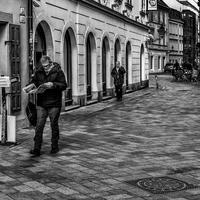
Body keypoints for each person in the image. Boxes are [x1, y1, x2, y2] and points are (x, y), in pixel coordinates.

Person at [29, 55, 67, 156]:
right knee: (39, 126)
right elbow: (34, 82)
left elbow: (64, 85)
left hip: (54, 103)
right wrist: (31, 87)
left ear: (51, 63)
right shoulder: (38, 71)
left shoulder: (58, 71)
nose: (45, 68)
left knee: (53, 125)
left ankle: (54, 146)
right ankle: (36, 148)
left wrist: (53, 85)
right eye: (43, 66)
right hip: (41, 103)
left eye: (46, 66)